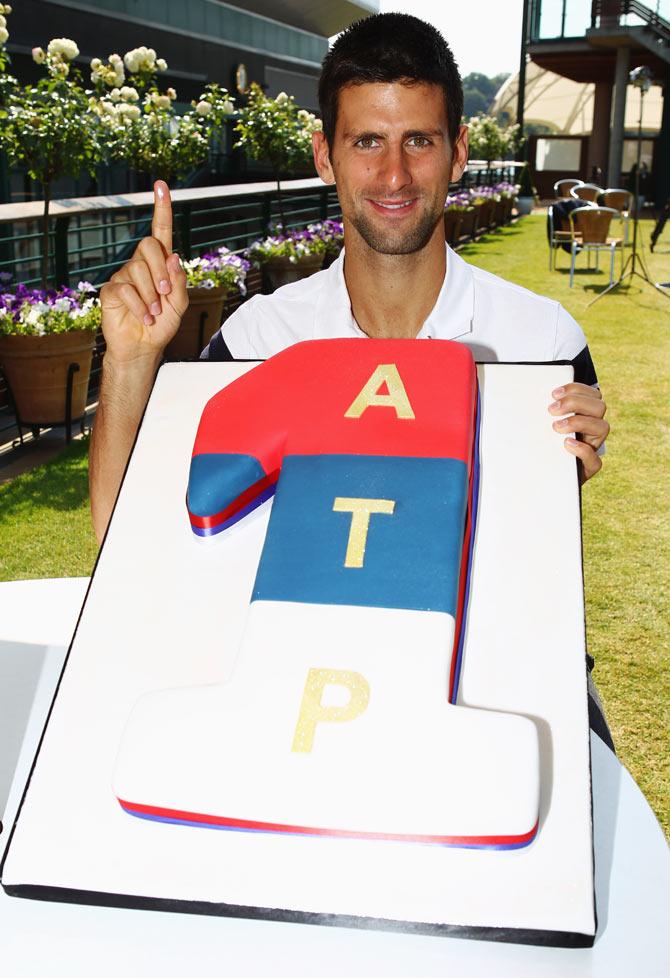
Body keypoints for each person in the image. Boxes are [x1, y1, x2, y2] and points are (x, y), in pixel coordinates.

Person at [91, 16, 610, 734]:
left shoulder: (544, 340)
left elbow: (530, 575)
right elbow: (124, 540)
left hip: (489, 691)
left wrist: (559, 478)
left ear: (459, 152)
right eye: (367, 141)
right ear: (325, 156)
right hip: (294, 698)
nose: (393, 175)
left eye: (418, 141)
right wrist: (130, 363)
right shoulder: (255, 339)